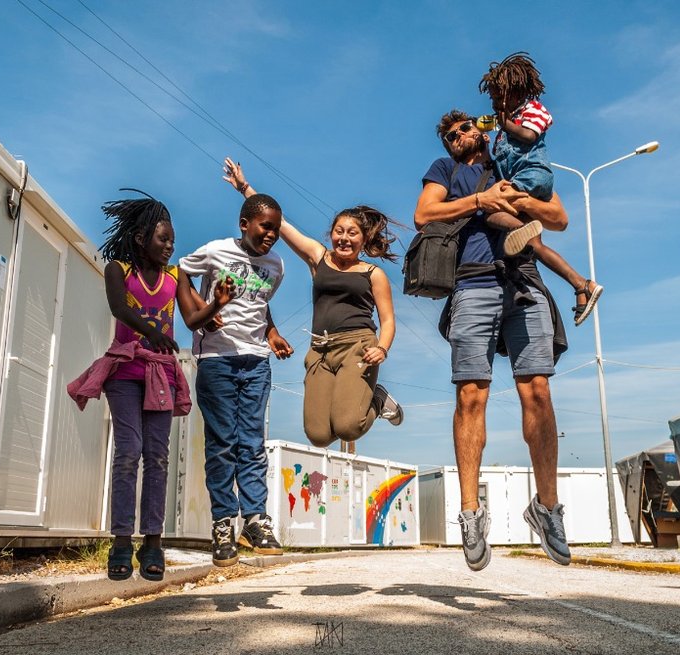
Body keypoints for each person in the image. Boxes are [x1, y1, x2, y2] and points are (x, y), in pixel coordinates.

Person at [414, 109, 572, 569]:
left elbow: (557, 217)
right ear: (447, 146)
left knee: (538, 392)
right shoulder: (447, 171)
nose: (460, 135)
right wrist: (482, 201)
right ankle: (470, 513)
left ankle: (547, 509)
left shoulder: (510, 158)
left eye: (464, 128)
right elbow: (425, 213)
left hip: (523, 282)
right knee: (470, 396)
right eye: (450, 134)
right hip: (472, 284)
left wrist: (516, 203)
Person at [221, 158, 404, 452]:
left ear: (363, 238)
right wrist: (245, 189)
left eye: (352, 233)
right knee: (318, 436)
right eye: (339, 231)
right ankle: (368, 399)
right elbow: (281, 225)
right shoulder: (319, 258)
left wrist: (382, 348)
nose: (344, 238)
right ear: (331, 233)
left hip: (357, 346)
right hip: (320, 349)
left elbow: (388, 320)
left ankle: (377, 399)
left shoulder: (373, 274)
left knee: (347, 426)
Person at [66, 191, 196, 581]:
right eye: (163, 239)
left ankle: (153, 542)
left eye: (173, 240)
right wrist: (151, 331)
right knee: (129, 452)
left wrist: (218, 305)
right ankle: (121, 540)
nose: (170, 246)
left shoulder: (176, 277)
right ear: (141, 238)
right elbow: (119, 308)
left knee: (157, 456)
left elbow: (193, 316)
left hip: (162, 375)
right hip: (125, 372)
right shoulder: (118, 269)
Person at [176, 192, 293, 567]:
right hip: (217, 359)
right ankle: (223, 523)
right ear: (244, 225)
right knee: (223, 442)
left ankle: (255, 520)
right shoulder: (214, 251)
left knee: (252, 443)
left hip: (256, 361)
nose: (271, 234)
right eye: (265, 227)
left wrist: (271, 332)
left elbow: (259, 303)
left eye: (276, 228)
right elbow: (182, 271)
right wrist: (202, 311)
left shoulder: (276, 265)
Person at [476, 52, 602, 326]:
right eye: (493, 99)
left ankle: (518, 231)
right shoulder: (504, 127)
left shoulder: (533, 110)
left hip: (534, 177)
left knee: (490, 209)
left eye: (500, 96)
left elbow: (528, 135)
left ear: (518, 91)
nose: (496, 102)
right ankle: (582, 285)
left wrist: (504, 122)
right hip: (522, 180)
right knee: (533, 245)